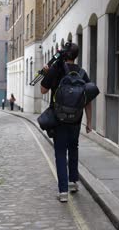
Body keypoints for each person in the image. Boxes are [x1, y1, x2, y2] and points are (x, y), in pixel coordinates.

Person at [40, 42, 92, 203]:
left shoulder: (56, 69)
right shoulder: (82, 73)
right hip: (76, 119)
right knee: (73, 147)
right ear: (76, 55)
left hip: (59, 118)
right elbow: (88, 99)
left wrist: (47, 73)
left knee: (60, 152)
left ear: (63, 53)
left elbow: (43, 90)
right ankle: (73, 182)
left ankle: (63, 192)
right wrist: (89, 121)